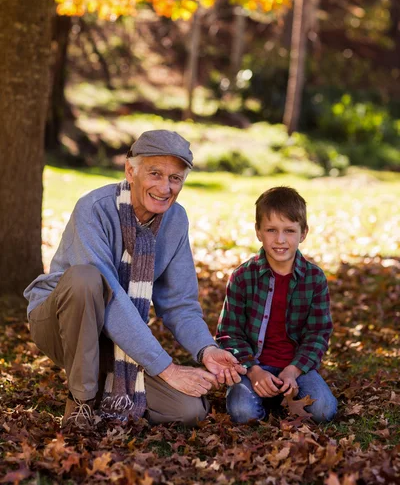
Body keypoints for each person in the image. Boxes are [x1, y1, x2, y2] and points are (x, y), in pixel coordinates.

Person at [24, 129, 245, 430]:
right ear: (131, 170)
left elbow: (180, 303)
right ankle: (81, 402)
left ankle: (106, 388)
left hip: (114, 341)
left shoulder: (175, 220)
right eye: (155, 173)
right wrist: (167, 369)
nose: (165, 187)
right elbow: (111, 297)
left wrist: (206, 348)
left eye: (175, 178)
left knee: (188, 409)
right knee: (87, 279)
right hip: (61, 325)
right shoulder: (94, 208)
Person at [216, 186, 337, 424]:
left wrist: (294, 370)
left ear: (303, 233)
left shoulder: (314, 278)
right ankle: (268, 397)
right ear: (258, 232)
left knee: (324, 410)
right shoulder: (242, 276)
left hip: (296, 368)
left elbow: (318, 334)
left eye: (289, 231)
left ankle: (282, 395)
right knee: (242, 413)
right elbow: (228, 333)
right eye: (271, 230)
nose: (280, 240)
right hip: (253, 367)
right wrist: (253, 369)